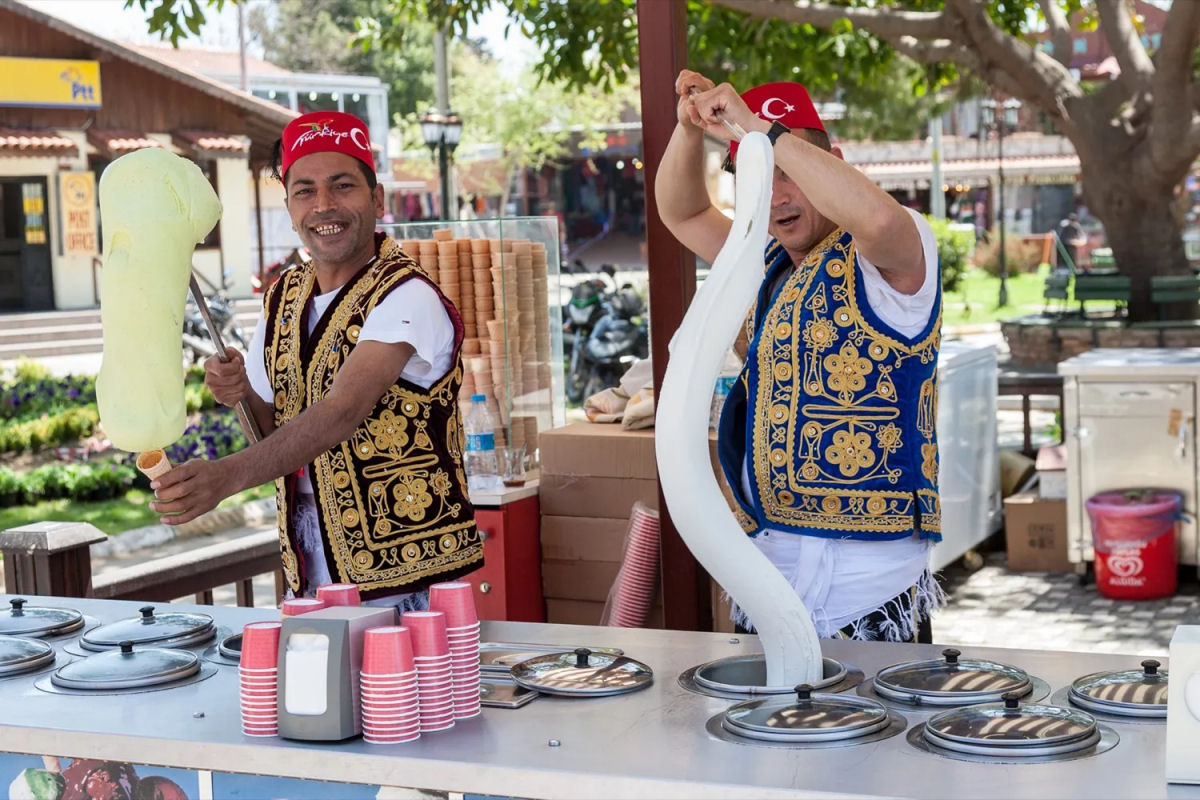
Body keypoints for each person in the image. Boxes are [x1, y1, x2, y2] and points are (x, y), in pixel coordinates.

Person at [150, 111, 482, 610]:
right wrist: (240, 394)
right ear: (288, 206)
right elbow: (273, 433)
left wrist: (226, 477)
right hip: (310, 558)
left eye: (342, 185)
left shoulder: (406, 294)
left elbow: (341, 413)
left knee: (403, 690)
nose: (323, 205)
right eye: (304, 190)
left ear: (378, 199)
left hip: (408, 574)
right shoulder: (284, 295)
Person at [656, 72, 943, 643]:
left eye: (790, 171)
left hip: (870, 588)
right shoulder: (764, 256)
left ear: (834, 162)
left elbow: (879, 220)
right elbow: (682, 213)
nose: (777, 195)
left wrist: (762, 131)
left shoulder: (894, 250)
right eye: (760, 177)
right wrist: (690, 132)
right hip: (767, 575)